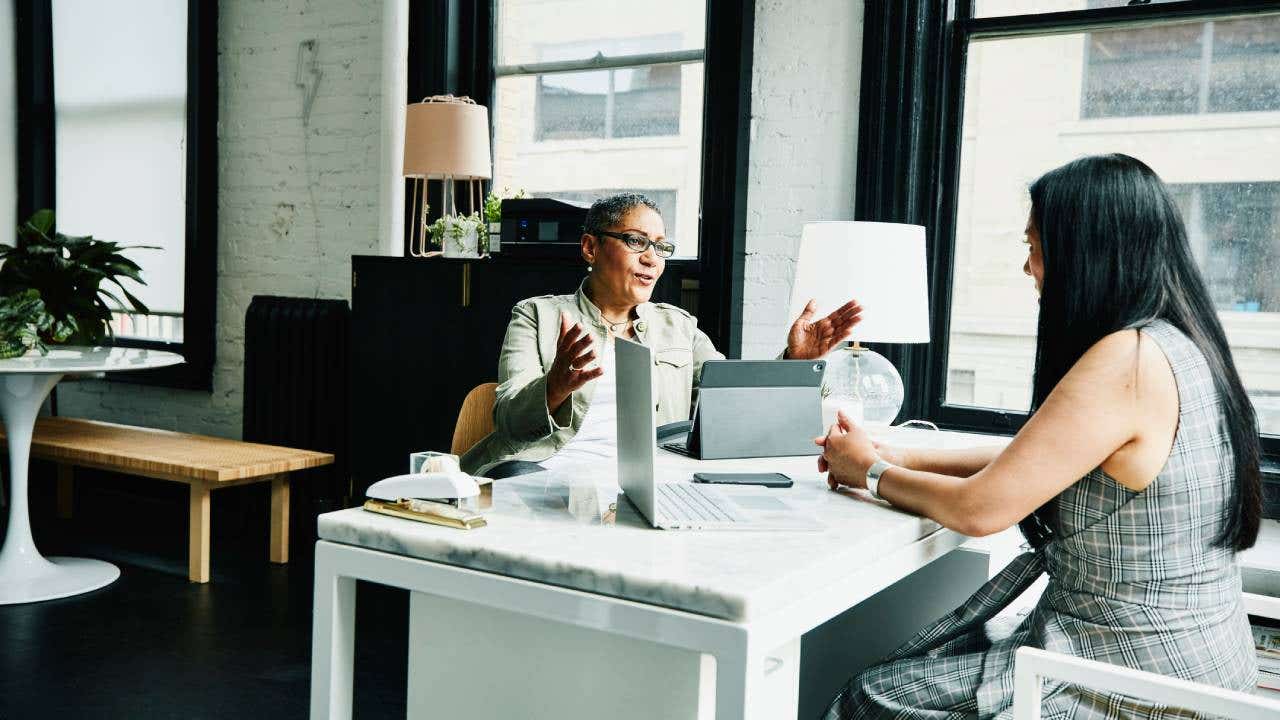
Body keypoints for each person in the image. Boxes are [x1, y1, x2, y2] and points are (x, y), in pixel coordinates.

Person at [817, 153, 1262, 719]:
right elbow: (1045, 456)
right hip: (1204, 662)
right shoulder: (1180, 343)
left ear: (1084, 253)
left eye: (1033, 247)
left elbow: (981, 510)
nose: (1028, 268)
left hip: (1129, 676)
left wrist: (871, 474)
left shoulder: (1125, 360)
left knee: (869, 698)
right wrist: (897, 451)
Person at [461, 192, 862, 478]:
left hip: (647, 484)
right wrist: (556, 385)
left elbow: (731, 402)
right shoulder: (538, 315)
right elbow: (510, 420)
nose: (652, 258)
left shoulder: (678, 326)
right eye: (636, 241)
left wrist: (797, 362)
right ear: (590, 248)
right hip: (540, 472)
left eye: (660, 246)